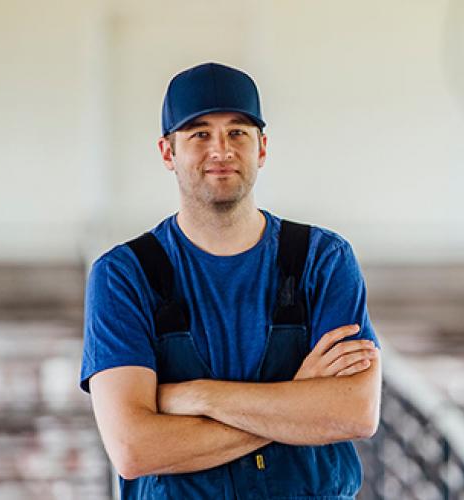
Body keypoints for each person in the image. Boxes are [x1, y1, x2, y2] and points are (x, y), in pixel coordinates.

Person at [79, 61, 381, 499]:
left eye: (237, 132)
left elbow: (355, 412)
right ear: (168, 152)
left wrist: (197, 397)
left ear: (261, 149)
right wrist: (295, 402)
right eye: (199, 134)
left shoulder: (324, 260)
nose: (220, 149)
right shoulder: (124, 277)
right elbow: (133, 447)